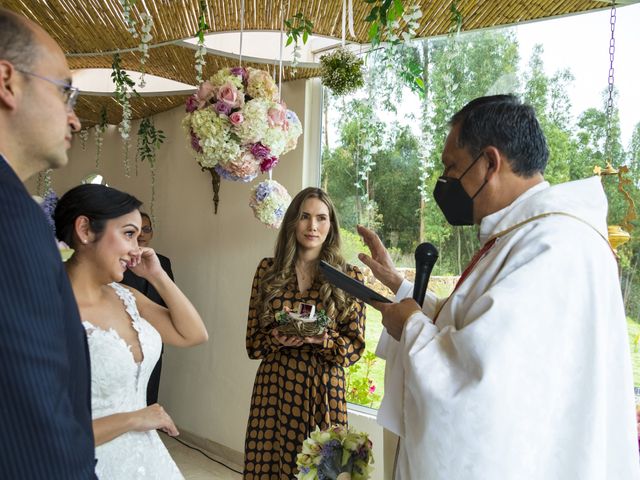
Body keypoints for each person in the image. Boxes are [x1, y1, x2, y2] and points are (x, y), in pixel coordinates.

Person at [358, 95, 640, 479]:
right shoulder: (528, 235)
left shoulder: (554, 246)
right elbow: (476, 326)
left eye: (452, 167)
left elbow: (475, 385)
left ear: (489, 163)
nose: (446, 182)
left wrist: (410, 324)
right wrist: (403, 288)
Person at [54, 184, 209, 479]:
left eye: (138, 237)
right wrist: (134, 419)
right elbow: (42, 429)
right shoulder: (48, 309)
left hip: (146, 458)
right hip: (84, 464)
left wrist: (157, 275)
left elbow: (193, 335)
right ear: (85, 229)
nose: (136, 249)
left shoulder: (127, 296)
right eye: (128, 234)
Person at [0, 8, 97, 478]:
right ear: (7, 81)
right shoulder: (12, 218)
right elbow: (32, 411)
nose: (75, 118)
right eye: (65, 91)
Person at [244, 187, 366, 479]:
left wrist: (323, 339)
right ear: (292, 223)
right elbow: (253, 344)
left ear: (331, 226)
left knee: (321, 472)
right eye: (304, 216)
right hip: (274, 389)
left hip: (322, 390)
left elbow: (354, 349)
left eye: (322, 218)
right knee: (269, 468)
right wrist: (275, 337)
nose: (313, 226)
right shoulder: (267, 271)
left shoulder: (349, 277)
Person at [122, 211, 174, 405]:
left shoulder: (163, 263)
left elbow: (169, 303)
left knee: (149, 395)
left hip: (154, 338)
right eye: (135, 230)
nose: (142, 235)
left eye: (147, 229)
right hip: (122, 339)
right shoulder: (115, 262)